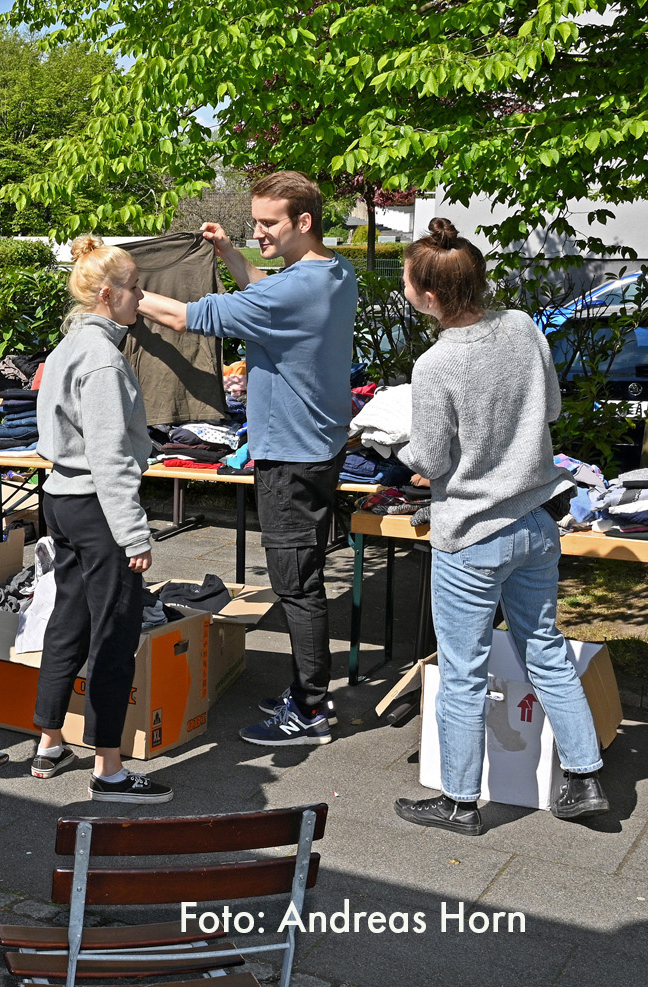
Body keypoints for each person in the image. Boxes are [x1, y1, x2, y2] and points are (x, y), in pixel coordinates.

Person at [391, 218, 609, 834]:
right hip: (536, 522)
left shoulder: (436, 364)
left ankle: (460, 802)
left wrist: (397, 450)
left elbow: (430, 458)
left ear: (429, 295)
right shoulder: (521, 327)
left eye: (407, 282)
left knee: (464, 669)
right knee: (545, 648)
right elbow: (551, 408)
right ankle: (585, 777)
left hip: (473, 533)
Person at [137, 170, 357, 746]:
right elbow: (264, 288)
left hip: (291, 456)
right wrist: (230, 255)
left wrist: (120, 289)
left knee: (296, 584)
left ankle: (310, 710)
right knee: (303, 575)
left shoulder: (291, 292)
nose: (256, 231)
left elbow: (187, 317)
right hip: (320, 446)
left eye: (267, 223)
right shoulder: (333, 272)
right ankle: (309, 693)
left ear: (302, 221)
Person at [29, 235, 173, 803]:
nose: (141, 297)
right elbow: (110, 456)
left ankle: (48, 743)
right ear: (108, 295)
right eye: (134, 288)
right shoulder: (104, 359)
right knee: (114, 633)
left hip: (61, 498)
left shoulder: (68, 346)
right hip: (96, 505)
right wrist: (135, 534)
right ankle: (109, 769)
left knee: (68, 619)